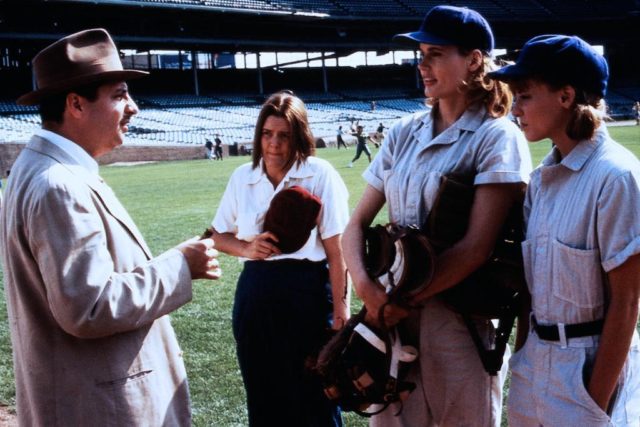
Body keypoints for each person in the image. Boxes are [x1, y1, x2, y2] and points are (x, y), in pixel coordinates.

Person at [0, 28, 222, 426]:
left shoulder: (40, 169)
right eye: (119, 95)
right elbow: (89, 307)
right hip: (101, 409)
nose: (133, 107)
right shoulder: (59, 184)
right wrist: (180, 266)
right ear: (75, 104)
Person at [342, 5, 532, 426]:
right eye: (421, 54)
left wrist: (397, 301)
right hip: (391, 323)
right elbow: (353, 226)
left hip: (460, 323)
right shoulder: (402, 131)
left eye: (435, 54)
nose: (422, 66)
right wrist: (367, 291)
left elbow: (475, 248)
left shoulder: (496, 135)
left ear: (474, 60)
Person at [489, 34, 640, 426]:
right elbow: (530, 292)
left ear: (566, 96)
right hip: (534, 368)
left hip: (587, 374)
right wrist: (524, 356)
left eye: (524, 95)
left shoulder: (616, 176)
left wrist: (594, 400)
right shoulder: (539, 181)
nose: (515, 109)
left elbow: (626, 303)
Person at [210, 91, 350, 426]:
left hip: (308, 292)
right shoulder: (243, 177)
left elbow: (336, 249)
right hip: (256, 293)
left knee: (316, 396)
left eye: (284, 136)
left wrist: (341, 309)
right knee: (263, 398)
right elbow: (215, 235)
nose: (274, 144)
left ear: (299, 137)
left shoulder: (319, 173)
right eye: (267, 134)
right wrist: (246, 249)